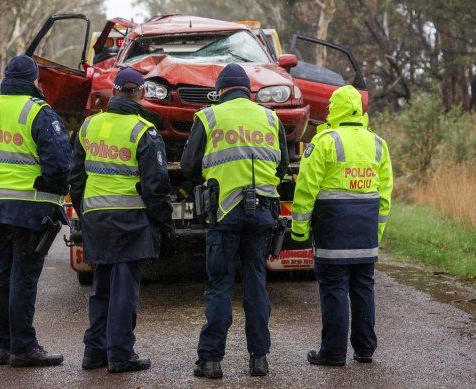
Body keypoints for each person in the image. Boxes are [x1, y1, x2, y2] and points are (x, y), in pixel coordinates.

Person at [181, 63, 289, 379]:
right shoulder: (270, 118)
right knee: (256, 282)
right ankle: (259, 360)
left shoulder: (209, 116)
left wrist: (213, 178)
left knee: (221, 284)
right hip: (262, 214)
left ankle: (212, 361)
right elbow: (282, 166)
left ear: (221, 90)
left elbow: (189, 166)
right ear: (248, 89)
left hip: (224, 212)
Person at [69, 68, 174, 373]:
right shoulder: (144, 131)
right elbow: (156, 187)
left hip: (96, 218)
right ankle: (120, 355)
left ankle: (94, 352)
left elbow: (75, 178)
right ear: (140, 94)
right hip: (130, 220)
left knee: (102, 286)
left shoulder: (89, 126)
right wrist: (164, 225)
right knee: (125, 290)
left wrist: (85, 212)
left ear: (114, 92)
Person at [0, 55, 71, 367]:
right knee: (23, 277)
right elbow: (59, 164)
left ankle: (4, 345)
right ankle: (24, 348)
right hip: (32, 209)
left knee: (1, 275)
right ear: (34, 81)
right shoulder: (38, 111)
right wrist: (49, 184)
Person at [291, 85, 393, 366]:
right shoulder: (377, 143)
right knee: (363, 287)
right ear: (359, 110)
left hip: (333, 228)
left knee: (334, 288)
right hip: (365, 229)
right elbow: (384, 193)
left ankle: (333, 353)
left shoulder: (324, 142)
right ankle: (365, 350)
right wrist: (378, 230)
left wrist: (299, 229)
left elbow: (306, 188)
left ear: (333, 110)